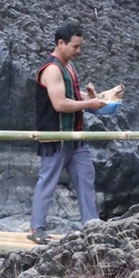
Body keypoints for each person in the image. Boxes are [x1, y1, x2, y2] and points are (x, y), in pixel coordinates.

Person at [28, 22, 109, 244]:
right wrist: (89, 103)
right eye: (75, 46)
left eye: (80, 46)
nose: (79, 51)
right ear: (61, 44)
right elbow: (60, 104)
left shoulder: (68, 66)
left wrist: (90, 97)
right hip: (55, 136)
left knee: (86, 178)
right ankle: (36, 228)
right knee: (48, 181)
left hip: (75, 136)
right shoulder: (52, 69)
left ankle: (91, 224)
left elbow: (71, 94)